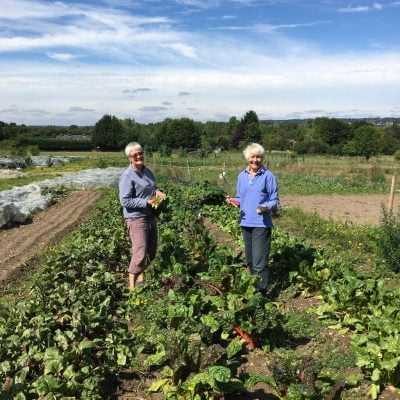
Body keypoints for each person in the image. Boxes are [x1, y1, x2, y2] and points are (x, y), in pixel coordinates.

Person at [226, 143, 279, 294]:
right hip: (245, 222)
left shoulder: (268, 176)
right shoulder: (241, 176)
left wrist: (266, 207)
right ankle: (253, 288)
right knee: (249, 260)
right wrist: (233, 201)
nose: (255, 160)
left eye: (259, 157)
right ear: (247, 158)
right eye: (252, 157)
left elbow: (275, 200)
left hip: (261, 223)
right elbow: (240, 198)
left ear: (262, 158)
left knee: (259, 263)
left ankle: (260, 293)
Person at [119, 142, 166, 290]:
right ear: (129, 158)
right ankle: (132, 288)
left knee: (151, 252)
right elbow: (124, 200)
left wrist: (158, 192)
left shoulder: (147, 171)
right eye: (135, 155)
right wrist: (146, 202)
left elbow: (152, 187)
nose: (139, 156)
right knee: (140, 253)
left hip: (150, 215)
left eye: (141, 153)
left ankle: (141, 277)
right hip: (136, 218)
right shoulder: (127, 176)